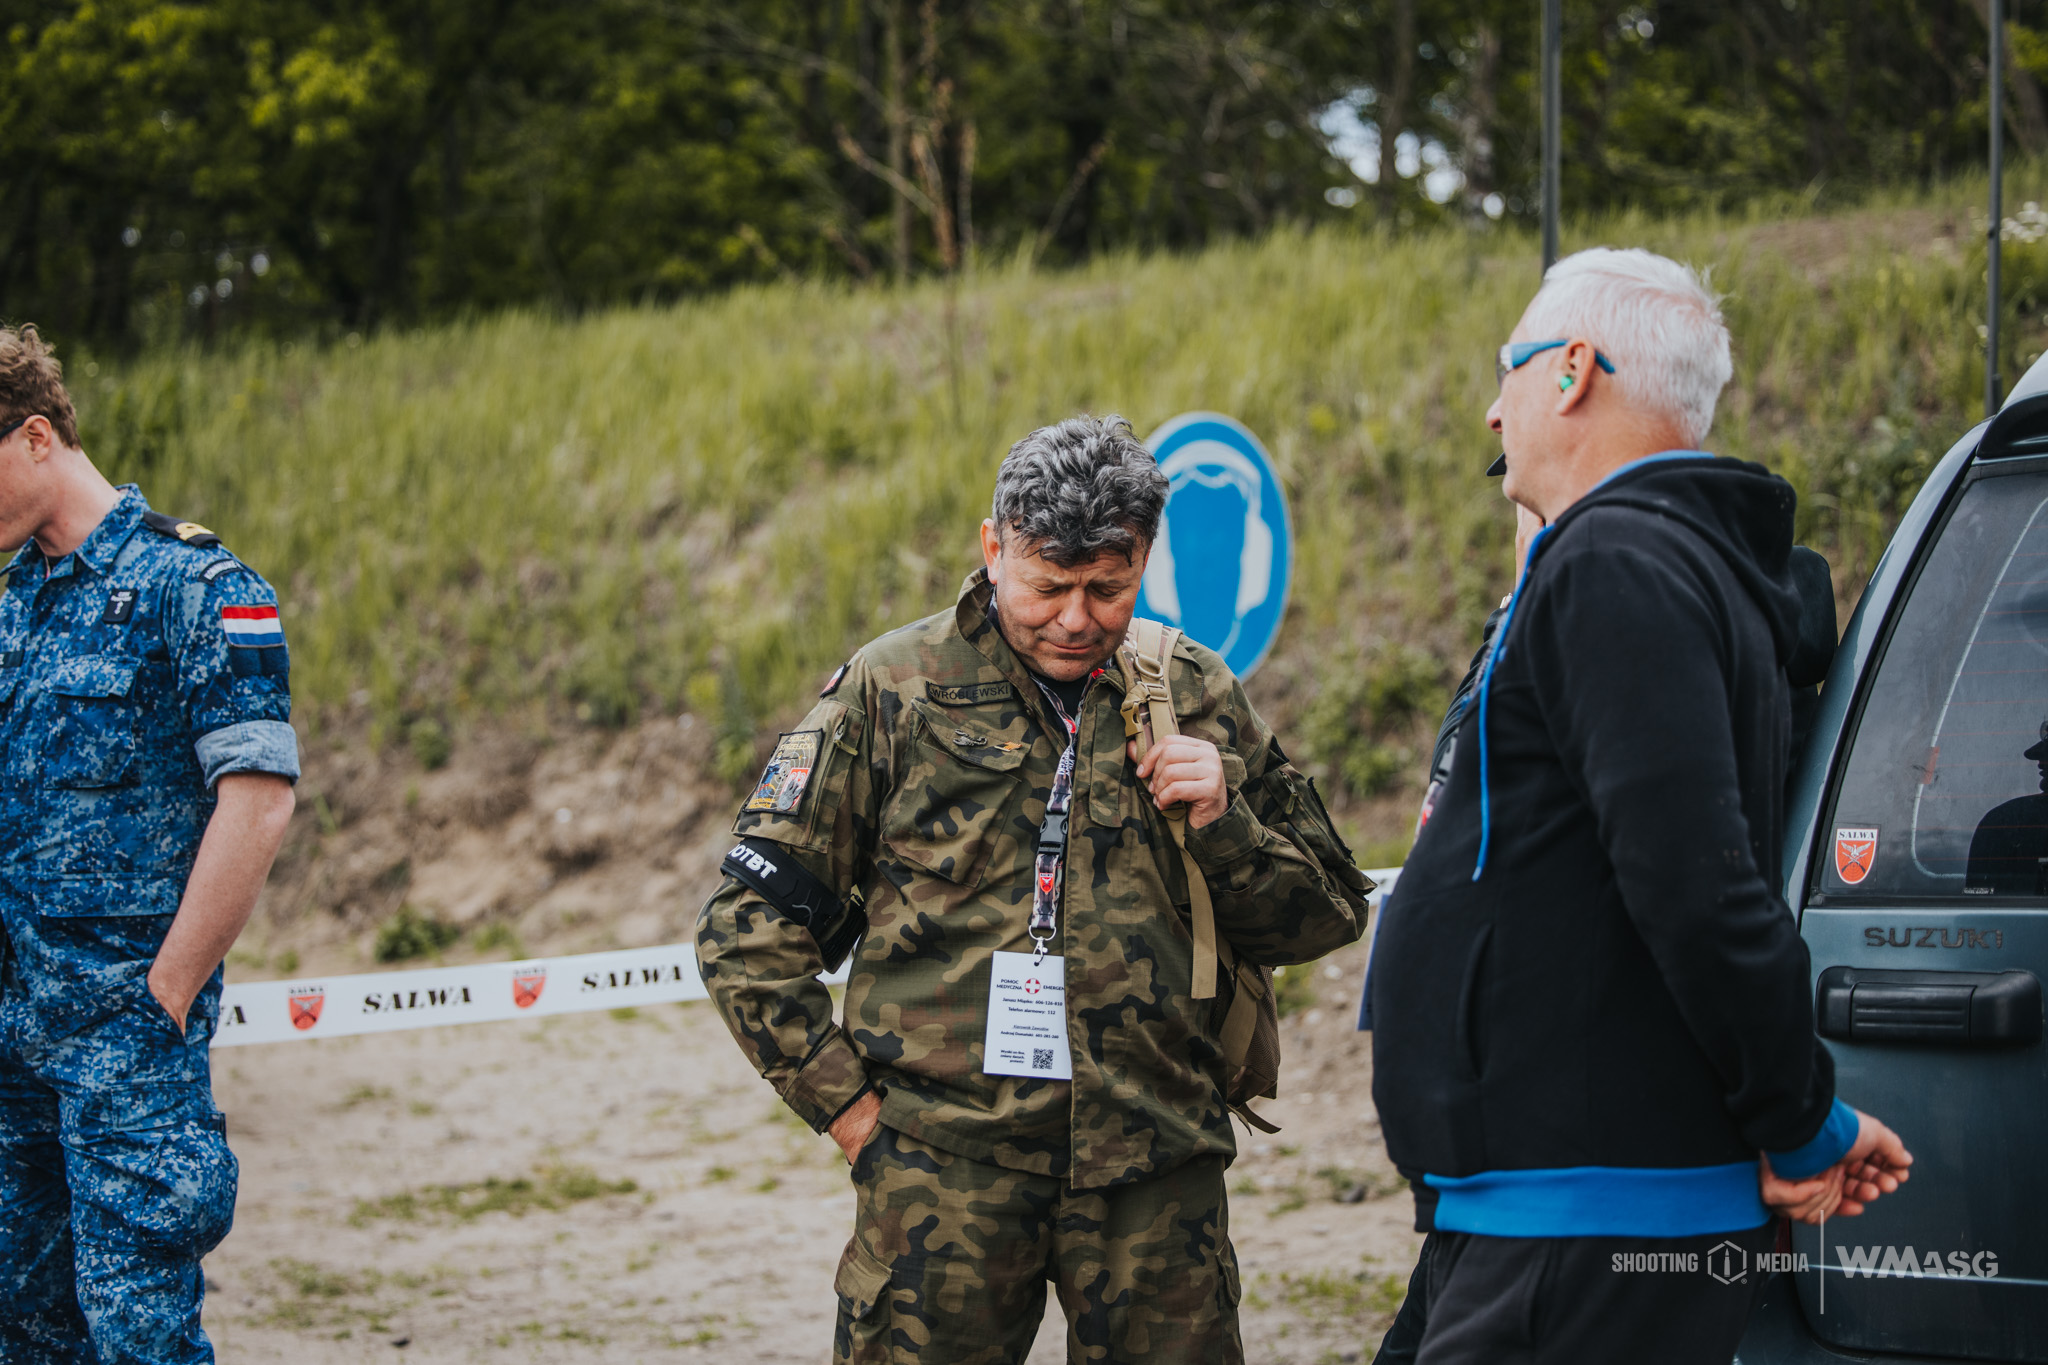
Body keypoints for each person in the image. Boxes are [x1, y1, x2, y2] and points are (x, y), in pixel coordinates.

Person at [696, 414, 1371, 1364]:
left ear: (1146, 557)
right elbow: (745, 928)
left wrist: (1226, 822)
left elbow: (1329, 913)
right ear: (993, 544)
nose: (1076, 617)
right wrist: (853, 1118)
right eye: (1047, 584)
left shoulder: (1194, 691)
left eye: (1110, 585)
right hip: (946, 1173)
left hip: (1155, 1165)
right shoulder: (894, 691)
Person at [1366, 250, 1912, 1365]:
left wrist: (1798, 1118)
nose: (1489, 408)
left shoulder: (1615, 561)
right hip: (1552, 1208)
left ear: (1571, 371)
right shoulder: (1650, 562)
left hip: (1588, 1220)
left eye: (1504, 373)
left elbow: (1700, 884)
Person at [0, 325, 299, 1364]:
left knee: (142, 1340)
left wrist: (163, 998)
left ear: (35, 436)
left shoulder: (196, 585)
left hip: (125, 1048)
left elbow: (258, 801)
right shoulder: (17, 608)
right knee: (27, 1332)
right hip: (14, 1040)